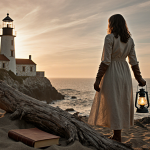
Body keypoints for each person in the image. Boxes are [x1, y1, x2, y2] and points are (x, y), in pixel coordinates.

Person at [87, 14, 146, 142]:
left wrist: (97, 79)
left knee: (113, 103)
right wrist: (139, 78)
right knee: (120, 102)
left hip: (112, 73)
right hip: (125, 73)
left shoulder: (109, 38)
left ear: (112, 24)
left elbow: (106, 61)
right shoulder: (130, 40)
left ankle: (117, 136)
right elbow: (134, 61)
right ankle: (116, 134)